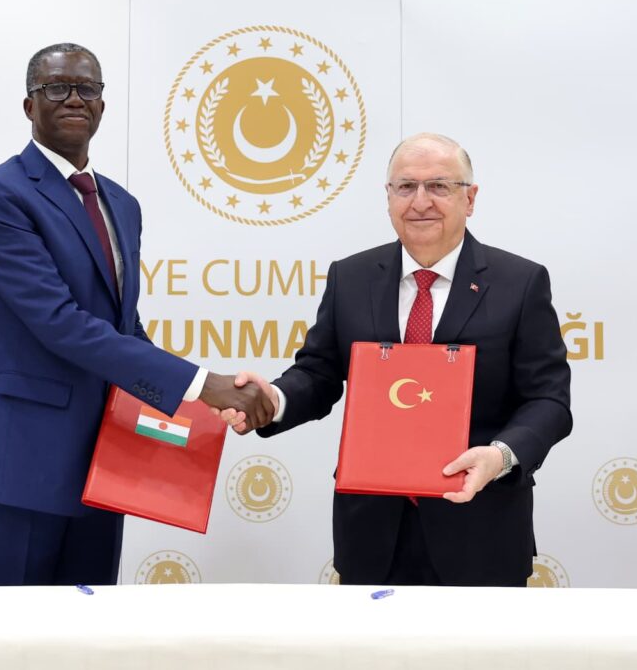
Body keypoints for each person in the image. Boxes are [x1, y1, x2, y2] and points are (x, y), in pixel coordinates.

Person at [0, 43, 273, 586]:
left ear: (102, 105)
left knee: (89, 630)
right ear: (29, 105)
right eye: (56, 87)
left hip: (103, 464)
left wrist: (206, 400)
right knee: (5, 632)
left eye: (87, 88)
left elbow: (122, 327)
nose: (74, 98)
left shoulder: (121, 204)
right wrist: (203, 384)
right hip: (14, 463)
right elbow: (59, 322)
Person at [220, 133, 572, 586]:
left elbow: (548, 401)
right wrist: (274, 399)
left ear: (470, 199)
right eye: (405, 187)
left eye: (439, 186)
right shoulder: (351, 277)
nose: (420, 202)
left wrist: (500, 457)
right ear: (388, 197)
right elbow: (318, 372)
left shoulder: (519, 283)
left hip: (480, 528)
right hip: (371, 534)